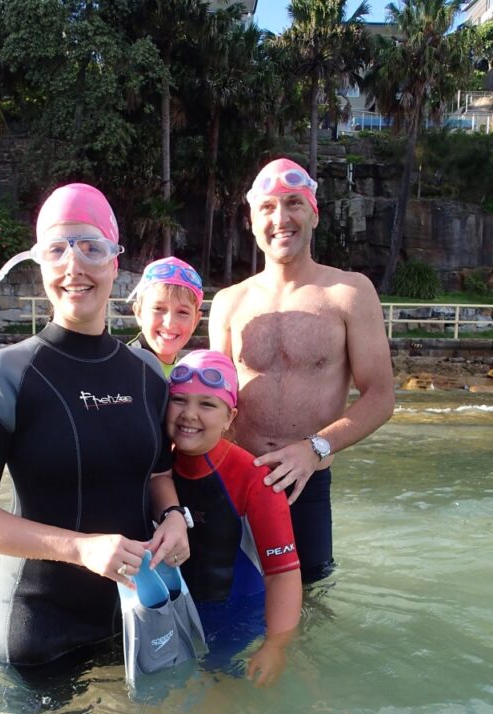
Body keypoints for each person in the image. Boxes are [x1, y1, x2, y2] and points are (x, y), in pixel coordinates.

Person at [0, 183, 191, 674]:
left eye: (90, 247)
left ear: (115, 262)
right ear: (40, 265)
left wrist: (175, 516)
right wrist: (80, 548)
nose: (74, 265)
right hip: (35, 624)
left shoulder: (146, 374)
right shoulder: (3, 375)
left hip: (131, 616)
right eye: (57, 250)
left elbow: (159, 474)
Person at [209, 158, 395, 584]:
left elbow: (381, 398)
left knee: (309, 605)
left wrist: (314, 449)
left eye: (293, 203)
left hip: (305, 485)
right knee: (226, 601)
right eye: (267, 207)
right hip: (235, 481)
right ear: (252, 221)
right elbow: (216, 402)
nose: (281, 219)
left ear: (314, 213)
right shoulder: (228, 302)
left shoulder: (349, 293)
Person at [166, 349, 302, 687]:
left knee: (217, 705)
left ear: (230, 417)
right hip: (175, 613)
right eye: (179, 400)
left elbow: (283, 573)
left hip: (237, 618)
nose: (189, 414)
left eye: (207, 404)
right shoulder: (156, 467)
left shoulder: (254, 479)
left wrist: (275, 646)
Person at [126, 256, 203, 377]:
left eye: (182, 312)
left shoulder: (185, 375)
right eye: (158, 309)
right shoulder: (122, 368)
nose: (169, 323)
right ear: (139, 313)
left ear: (195, 321)